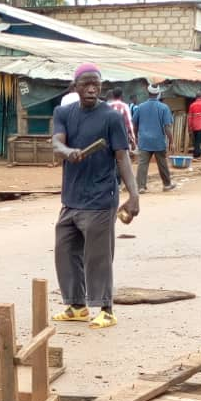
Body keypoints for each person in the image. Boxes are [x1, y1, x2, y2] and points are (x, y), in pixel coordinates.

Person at [51, 65, 138, 330]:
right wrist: (68, 152)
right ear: (75, 86)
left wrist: (133, 195)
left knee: (97, 256)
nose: (91, 89)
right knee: (65, 250)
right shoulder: (63, 112)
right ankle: (77, 306)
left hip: (101, 196)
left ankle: (106, 309)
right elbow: (56, 143)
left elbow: (121, 157)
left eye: (96, 85)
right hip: (72, 198)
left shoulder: (110, 117)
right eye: (86, 84)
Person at [131, 88, 176, 192]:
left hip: (144, 140)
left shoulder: (141, 107)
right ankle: (167, 185)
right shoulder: (164, 107)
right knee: (162, 163)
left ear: (148, 93)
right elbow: (167, 126)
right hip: (158, 140)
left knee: (142, 164)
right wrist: (172, 141)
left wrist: (137, 136)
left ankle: (140, 187)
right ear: (158, 94)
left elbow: (134, 123)